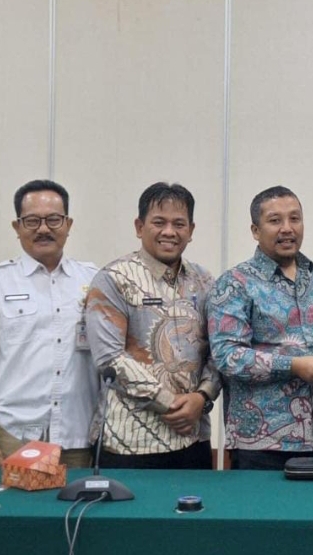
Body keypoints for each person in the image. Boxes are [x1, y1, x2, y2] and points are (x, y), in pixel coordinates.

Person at [0, 180, 98, 468]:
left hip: (78, 437)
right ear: (17, 226)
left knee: (76, 500)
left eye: (53, 220)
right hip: (12, 436)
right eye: (32, 221)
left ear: (68, 224)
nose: (43, 229)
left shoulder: (94, 280)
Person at [208, 186, 313, 470]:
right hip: (261, 443)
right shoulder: (235, 283)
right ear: (255, 230)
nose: (287, 228)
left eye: (294, 219)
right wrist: (294, 366)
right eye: (275, 220)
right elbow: (227, 356)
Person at [83, 182, 219, 469]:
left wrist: (202, 397)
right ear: (139, 226)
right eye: (159, 222)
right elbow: (109, 358)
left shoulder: (205, 281)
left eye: (179, 224)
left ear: (191, 230)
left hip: (193, 439)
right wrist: (169, 402)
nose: (169, 232)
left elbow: (220, 349)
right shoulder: (113, 279)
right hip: (128, 444)